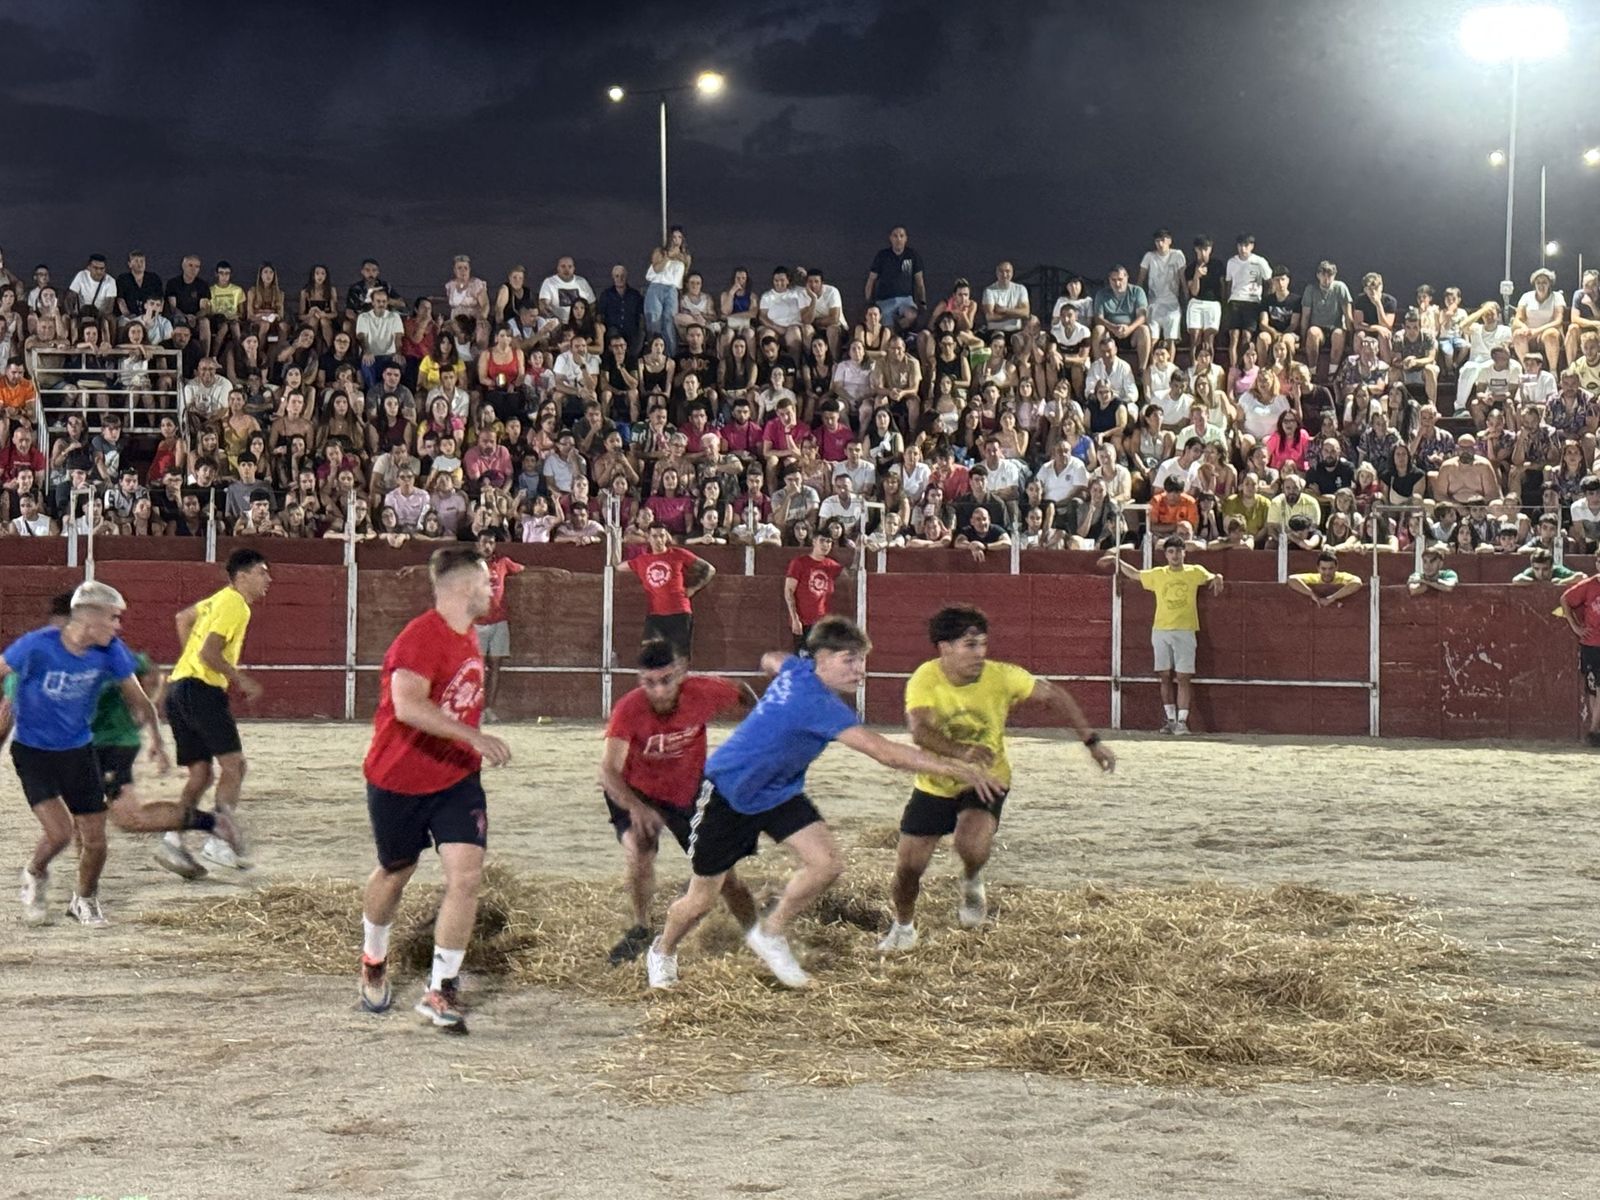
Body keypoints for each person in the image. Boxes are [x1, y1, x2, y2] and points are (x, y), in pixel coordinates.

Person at [645, 617, 1001, 990]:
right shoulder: (820, 705)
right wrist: (957, 769)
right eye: (849, 660)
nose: (860, 670)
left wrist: (772, 666)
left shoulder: (798, 671)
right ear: (822, 659)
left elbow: (772, 658)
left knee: (827, 864)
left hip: (779, 792)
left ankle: (771, 931)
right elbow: (885, 752)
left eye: (863, 660)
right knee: (701, 899)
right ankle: (663, 950)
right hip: (726, 793)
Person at [876, 606, 1115, 952]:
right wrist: (961, 753)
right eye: (969, 645)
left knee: (971, 845)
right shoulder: (925, 678)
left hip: (988, 779)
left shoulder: (1002, 676)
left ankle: (972, 880)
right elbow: (920, 731)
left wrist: (1091, 741)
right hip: (936, 782)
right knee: (909, 868)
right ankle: (903, 927)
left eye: (983, 644)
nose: (980, 654)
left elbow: (1055, 695)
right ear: (944, 648)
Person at [357, 546, 513, 1032]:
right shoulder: (421, 637)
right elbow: (407, 707)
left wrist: (468, 746)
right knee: (395, 871)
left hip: (457, 780)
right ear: (466, 587)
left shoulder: (468, 636)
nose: (494, 591)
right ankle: (373, 958)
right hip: (399, 779)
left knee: (465, 878)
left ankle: (441, 990)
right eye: (489, 583)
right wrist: (475, 736)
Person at [0, 583, 185, 927]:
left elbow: (139, 699)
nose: (118, 626)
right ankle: (34, 872)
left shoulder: (111, 650)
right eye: (114, 618)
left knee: (96, 840)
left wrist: (156, 740)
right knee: (59, 834)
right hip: (33, 753)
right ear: (91, 618)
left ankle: (84, 900)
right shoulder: (37, 646)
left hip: (79, 751)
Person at [598, 639, 759, 964]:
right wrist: (637, 808)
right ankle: (642, 928)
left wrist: (760, 731)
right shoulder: (629, 709)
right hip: (636, 792)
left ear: (682, 672)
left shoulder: (704, 691)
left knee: (726, 877)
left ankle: (758, 935)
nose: (658, 691)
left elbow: (743, 691)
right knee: (639, 850)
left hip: (687, 792)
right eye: (649, 683)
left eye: (666, 680)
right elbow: (608, 771)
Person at [158, 548, 272, 879]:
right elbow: (210, 653)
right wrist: (242, 680)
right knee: (235, 766)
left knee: (200, 775)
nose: (268, 579)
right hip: (202, 691)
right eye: (262, 572)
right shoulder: (236, 604)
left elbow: (182, 618)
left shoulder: (217, 600)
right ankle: (218, 841)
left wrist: (189, 660)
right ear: (243, 576)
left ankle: (173, 839)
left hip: (179, 688)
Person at [1101, 535, 1224, 735]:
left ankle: (1182, 722)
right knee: (1164, 676)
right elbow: (1134, 574)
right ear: (1166, 555)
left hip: (1185, 629)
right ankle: (1170, 720)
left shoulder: (1195, 571)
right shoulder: (1159, 574)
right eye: (1171, 552)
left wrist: (1218, 575)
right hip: (1161, 630)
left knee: (1183, 677)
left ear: (1185, 553)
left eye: (1178, 551)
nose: (1175, 555)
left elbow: (1212, 577)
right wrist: (1117, 561)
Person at [613, 524, 715, 659]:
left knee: (679, 658)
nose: (659, 540)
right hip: (655, 614)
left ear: (667, 537)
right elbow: (617, 567)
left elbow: (709, 569)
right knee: (650, 654)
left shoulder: (678, 554)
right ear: (648, 538)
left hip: (679, 612)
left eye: (662, 535)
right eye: (654, 536)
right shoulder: (641, 560)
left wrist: (694, 588)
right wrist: (614, 541)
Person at [473, 530, 524, 723]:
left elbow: (522, 569)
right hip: (478, 623)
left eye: (491, 543)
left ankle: (488, 708)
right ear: (478, 544)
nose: (488, 546)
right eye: (485, 542)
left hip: (499, 621)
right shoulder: (471, 565)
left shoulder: (502, 563)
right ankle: (476, 709)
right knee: (477, 668)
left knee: (495, 667)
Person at [783, 529, 844, 648]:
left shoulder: (832, 565)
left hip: (823, 623)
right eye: (822, 541)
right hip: (804, 621)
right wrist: (795, 619)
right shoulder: (799, 563)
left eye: (829, 542)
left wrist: (858, 551)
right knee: (804, 660)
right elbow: (789, 591)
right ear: (814, 541)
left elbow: (852, 574)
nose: (825, 545)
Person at [1287, 552, 1364, 607]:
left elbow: (1357, 583)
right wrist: (1311, 594)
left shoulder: (1342, 577)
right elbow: (1291, 579)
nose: (1327, 572)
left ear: (1336, 568)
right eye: (1323, 569)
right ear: (1318, 568)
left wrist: (1332, 598)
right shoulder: (1313, 578)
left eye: (1331, 568)